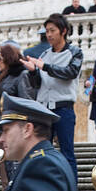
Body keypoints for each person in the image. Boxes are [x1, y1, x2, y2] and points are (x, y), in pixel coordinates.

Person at [26, 13, 83, 172]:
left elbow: (70, 73)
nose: (49, 35)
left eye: (52, 30)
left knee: (67, 153)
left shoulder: (74, 52)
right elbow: (38, 84)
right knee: (41, 153)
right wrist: (33, 72)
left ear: (63, 31)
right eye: (47, 31)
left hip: (63, 108)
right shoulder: (45, 54)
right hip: (43, 109)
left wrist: (45, 67)